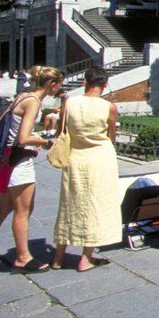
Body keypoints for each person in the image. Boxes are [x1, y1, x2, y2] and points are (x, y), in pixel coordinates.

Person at [0, 65, 64, 272]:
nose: (58, 90)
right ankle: (23, 257)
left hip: (6, 160)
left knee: (4, 208)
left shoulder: (23, 96)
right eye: (58, 86)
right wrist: (44, 141)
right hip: (19, 162)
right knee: (24, 210)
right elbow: (23, 138)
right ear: (50, 84)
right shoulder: (33, 102)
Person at [51, 67, 121, 272]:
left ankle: (58, 257)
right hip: (100, 159)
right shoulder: (109, 107)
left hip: (75, 157)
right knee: (96, 206)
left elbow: (60, 132)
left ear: (85, 82)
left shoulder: (69, 102)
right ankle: (85, 258)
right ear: (105, 84)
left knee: (68, 205)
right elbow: (111, 135)